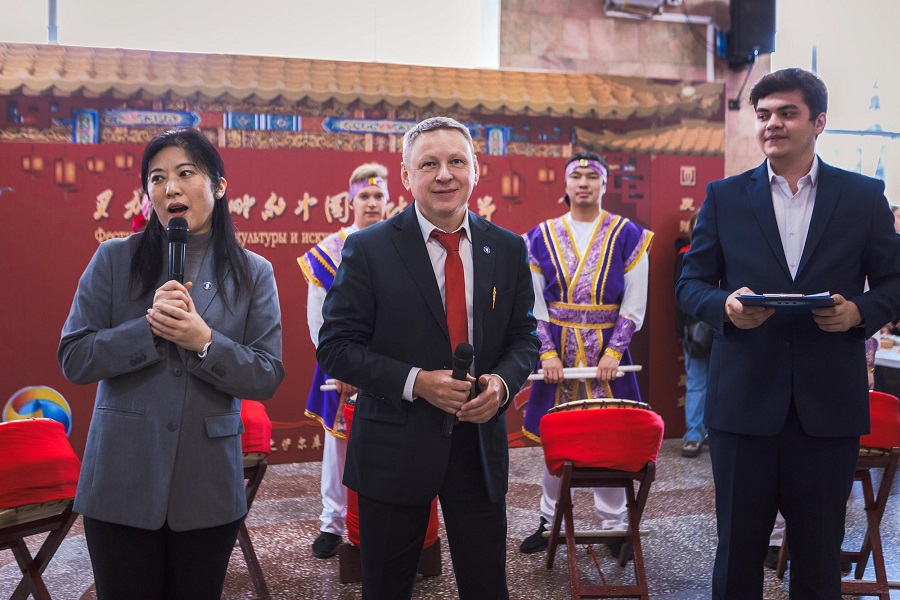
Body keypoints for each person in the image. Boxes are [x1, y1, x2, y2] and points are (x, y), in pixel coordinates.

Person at [676, 68, 900, 599]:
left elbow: (894, 282)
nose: (772, 123)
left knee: (820, 557)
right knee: (737, 553)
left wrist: (859, 312)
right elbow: (690, 284)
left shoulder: (863, 196)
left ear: (819, 122)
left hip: (828, 407)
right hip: (743, 403)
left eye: (787, 113)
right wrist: (725, 306)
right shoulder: (725, 197)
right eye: (763, 115)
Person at [316, 116, 540, 600]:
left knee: (487, 586)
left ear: (475, 170)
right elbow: (335, 347)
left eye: (456, 161)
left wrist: (502, 384)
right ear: (406, 175)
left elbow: (525, 337)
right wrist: (417, 381)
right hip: (393, 445)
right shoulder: (369, 248)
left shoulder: (506, 248)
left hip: (478, 445)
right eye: (429, 164)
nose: (444, 175)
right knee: (386, 588)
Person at [59, 128, 285, 599]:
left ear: (219, 186)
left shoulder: (253, 272)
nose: (170, 188)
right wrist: (148, 330)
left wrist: (205, 342)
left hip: (207, 485)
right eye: (157, 178)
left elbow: (266, 375)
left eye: (185, 173)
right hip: (120, 478)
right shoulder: (114, 259)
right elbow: (75, 357)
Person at [518, 151, 653, 555]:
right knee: (557, 435)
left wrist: (615, 351)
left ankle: (613, 524)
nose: (583, 183)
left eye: (591, 176)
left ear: (604, 183)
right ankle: (548, 521)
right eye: (575, 176)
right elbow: (533, 303)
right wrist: (546, 353)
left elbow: (635, 300)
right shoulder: (539, 236)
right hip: (558, 351)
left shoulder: (628, 234)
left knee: (608, 436)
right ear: (565, 184)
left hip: (607, 351)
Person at [297, 162, 388, 558]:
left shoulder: (399, 244)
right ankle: (332, 524)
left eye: (378, 195)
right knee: (338, 448)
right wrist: (343, 366)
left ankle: (388, 521)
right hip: (343, 366)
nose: (371, 202)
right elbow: (318, 320)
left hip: (391, 366)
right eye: (364, 195)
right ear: (350, 201)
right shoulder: (327, 253)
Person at [674, 211, 711, 458]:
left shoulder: (731, 251)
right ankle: (694, 435)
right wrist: (681, 330)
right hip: (695, 329)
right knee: (697, 381)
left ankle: (714, 432)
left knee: (724, 384)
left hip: (727, 326)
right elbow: (679, 296)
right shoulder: (685, 254)